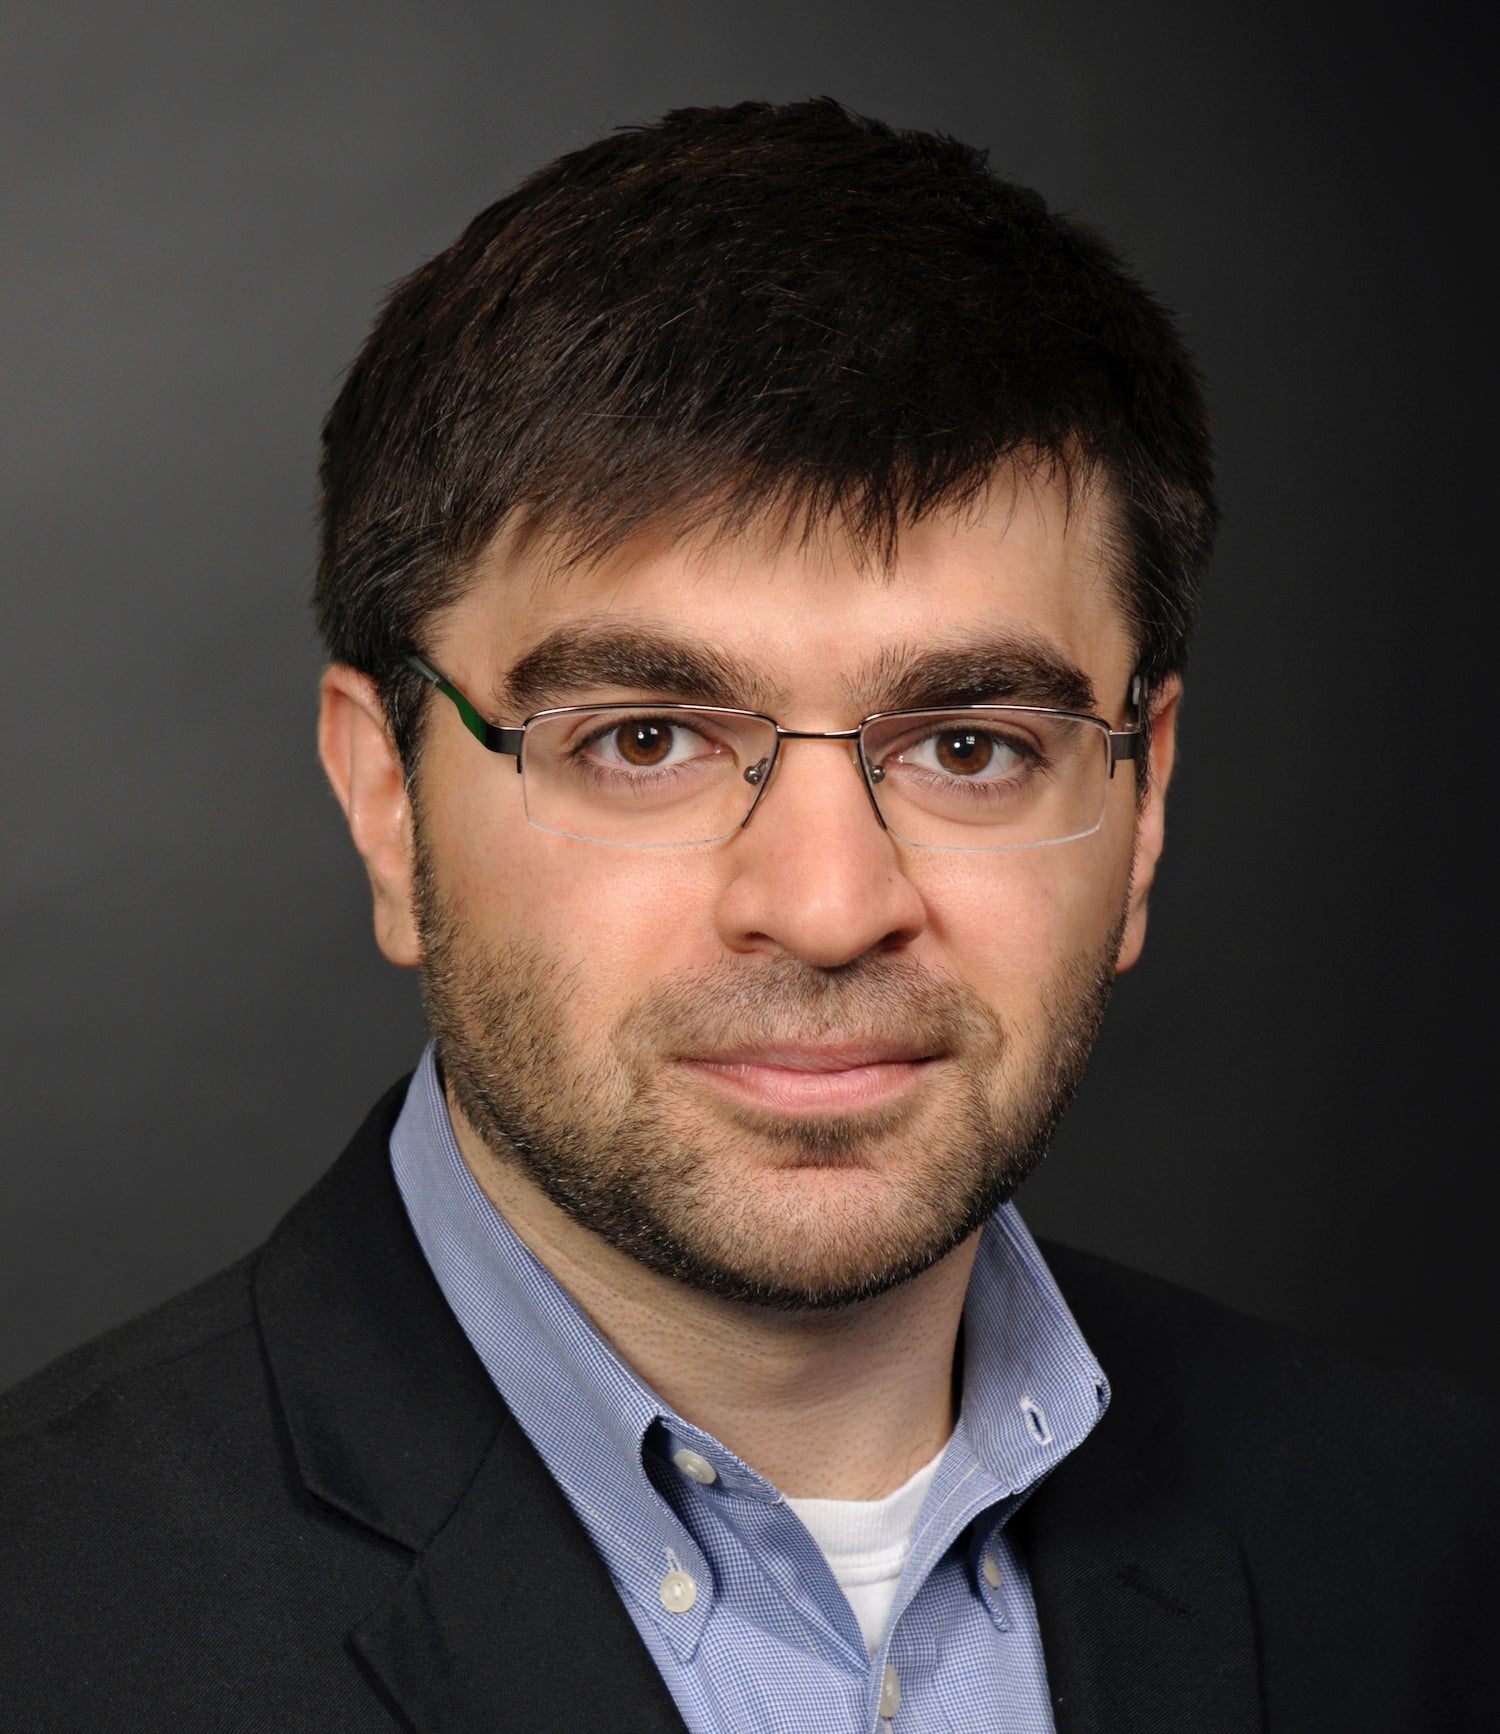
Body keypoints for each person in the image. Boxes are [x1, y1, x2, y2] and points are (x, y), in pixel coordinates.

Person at [0, 98, 1490, 1733]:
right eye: (645, 739)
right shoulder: (48, 1616)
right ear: (383, 796)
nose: (831, 904)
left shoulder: (1424, 1542)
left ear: (1143, 807)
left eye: (969, 744)